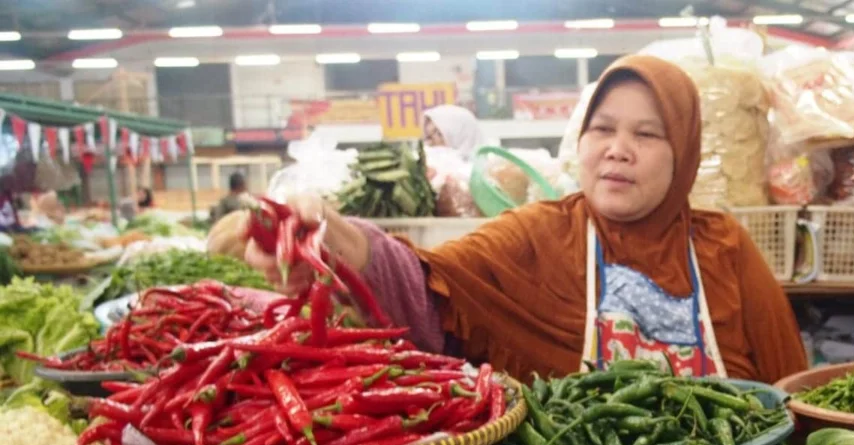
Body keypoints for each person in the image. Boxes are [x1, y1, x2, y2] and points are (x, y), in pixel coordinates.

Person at [244, 55, 808, 383]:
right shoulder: (539, 236)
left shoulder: (723, 247)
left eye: (648, 134)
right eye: (603, 129)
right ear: (581, 139)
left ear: (682, 154)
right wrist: (336, 237)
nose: (618, 149)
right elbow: (426, 284)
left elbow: (789, 389)